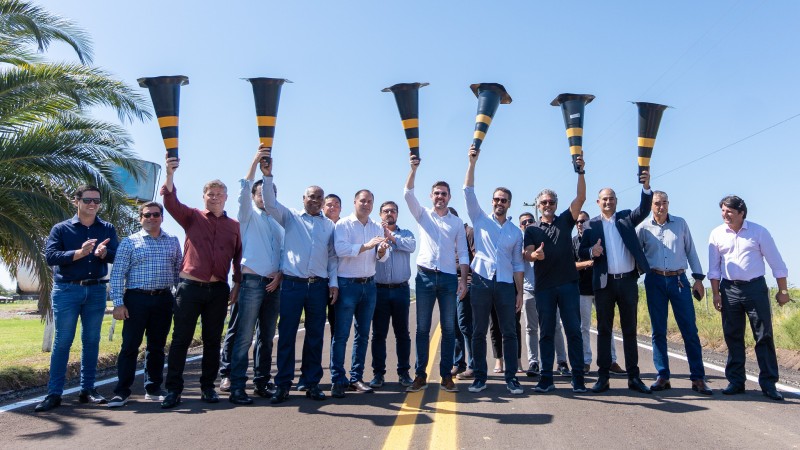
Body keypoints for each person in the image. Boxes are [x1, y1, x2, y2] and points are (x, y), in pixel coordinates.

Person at [160, 156, 242, 409]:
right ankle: (173, 390)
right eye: (210, 193)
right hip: (190, 289)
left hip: (218, 290)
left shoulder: (235, 226)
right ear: (204, 196)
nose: (215, 197)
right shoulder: (192, 217)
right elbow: (170, 201)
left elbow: (239, 257)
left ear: (226, 197)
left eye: (219, 194)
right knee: (181, 339)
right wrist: (170, 174)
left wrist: (237, 283)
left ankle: (208, 387)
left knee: (212, 340)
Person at [261, 148, 338, 404]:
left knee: (315, 335)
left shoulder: (329, 225)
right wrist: (268, 176)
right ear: (303, 198)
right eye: (311, 196)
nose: (315, 200)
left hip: (318, 286)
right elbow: (270, 203)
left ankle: (312, 382)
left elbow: (333, 257)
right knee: (287, 334)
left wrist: (333, 284)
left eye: (319, 197)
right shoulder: (291, 217)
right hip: (292, 286)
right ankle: (282, 384)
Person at [36, 185, 118, 412]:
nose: (92, 204)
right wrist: (79, 254)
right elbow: (51, 257)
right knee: (63, 342)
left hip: (97, 291)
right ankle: (54, 394)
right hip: (67, 291)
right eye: (88, 200)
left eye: (97, 201)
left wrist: (105, 254)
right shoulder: (61, 229)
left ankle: (88, 390)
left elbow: (117, 255)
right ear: (77, 201)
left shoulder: (107, 228)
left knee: (91, 341)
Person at [708, 195, 791, 401]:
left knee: (763, 336)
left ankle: (769, 384)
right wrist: (716, 294)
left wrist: (783, 291)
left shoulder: (758, 232)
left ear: (741, 213)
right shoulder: (716, 234)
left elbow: (777, 263)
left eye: (729, 211)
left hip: (755, 288)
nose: (725, 215)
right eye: (723, 211)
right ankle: (736, 382)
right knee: (733, 336)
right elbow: (714, 268)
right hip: (729, 290)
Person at [579, 172, 653, 394]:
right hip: (604, 285)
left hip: (628, 282)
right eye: (604, 198)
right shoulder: (591, 225)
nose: (608, 201)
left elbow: (645, 209)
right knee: (603, 330)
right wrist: (593, 251)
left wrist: (647, 187)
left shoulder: (626, 218)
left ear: (616, 201)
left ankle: (634, 377)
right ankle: (603, 378)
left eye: (611, 198)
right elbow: (581, 251)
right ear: (598, 202)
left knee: (630, 331)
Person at [404, 154, 469, 393]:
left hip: (450, 279)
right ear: (431, 197)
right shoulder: (423, 215)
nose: (440, 197)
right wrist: (413, 169)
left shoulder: (456, 222)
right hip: (424, 277)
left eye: (444, 193)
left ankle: (445, 376)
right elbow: (408, 195)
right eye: (436, 193)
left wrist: (463, 280)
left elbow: (463, 253)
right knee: (422, 328)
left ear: (449, 197)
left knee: (450, 329)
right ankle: (420, 375)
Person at [636, 191, 711, 395]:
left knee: (689, 330)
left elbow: (691, 251)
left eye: (665, 203)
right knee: (658, 330)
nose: (661, 207)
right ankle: (663, 376)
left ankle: (698, 378)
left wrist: (698, 279)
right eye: (657, 203)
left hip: (679, 280)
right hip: (655, 280)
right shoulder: (643, 228)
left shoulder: (680, 223)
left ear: (669, 204)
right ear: (651, 206)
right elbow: (635, 253)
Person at [107, 202, 182, 407]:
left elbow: (178, 273)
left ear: (162, 217)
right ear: (140, 218)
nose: (152, 218)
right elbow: (117, 275)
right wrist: (118, 304)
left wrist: (180, 300)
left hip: (163, 299)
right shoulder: (130, 242)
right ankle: (122, 391)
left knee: (156, 346)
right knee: (130, 346)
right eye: (147, 215)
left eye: (156, 214)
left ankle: (153, 388)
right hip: (136, 299)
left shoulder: (173, 241)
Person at [463, 145, 525, 394]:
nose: (500, 203)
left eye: (504, 200)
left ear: (509, 204)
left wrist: (519, 292)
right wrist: (472, 163)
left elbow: (518, 264)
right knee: (478, 331)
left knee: (509, 331)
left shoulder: (515, 231)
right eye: (497, 199)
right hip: (480, 281)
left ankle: (511, 377)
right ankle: (480, 376)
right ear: (492, 201)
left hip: (505, 285)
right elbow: (467, 190)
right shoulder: (479, 218)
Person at [523, 156, 587, 394]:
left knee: (573, 332)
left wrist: (580, 172)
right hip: (544, 288)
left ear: (555, 204)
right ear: (537, 206)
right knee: (546, 333)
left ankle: (578, 379)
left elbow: (580, 198)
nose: (547, 205)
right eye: (543, 202)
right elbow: (527, 254)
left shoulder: (565, 221)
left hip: (569, 285)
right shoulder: (531, 229)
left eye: (551, 202)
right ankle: (546, 379)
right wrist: (534, 257)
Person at [228, 149, 284, 405]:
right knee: (244, 336)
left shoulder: (280, 223)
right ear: (254, 197)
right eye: (260, 193)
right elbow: (243, 189)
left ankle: (262, 382)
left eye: (269, 193)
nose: (264, 197)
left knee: (267, 336)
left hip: (274, 285)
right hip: (252, 283)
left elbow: (285, 254)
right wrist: (255, 163)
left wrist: (280, 273)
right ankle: (238, 386)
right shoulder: (247, 216)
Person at [330, 190, 390, 398]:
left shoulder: (376, 226)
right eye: (362, 201)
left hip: (369, 285)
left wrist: (381, 250)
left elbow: (381, 257)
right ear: (354, 202)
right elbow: (341, 250)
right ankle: (338, 379)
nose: (366, 204)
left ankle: (356, 377)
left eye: (370, 201)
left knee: (363, 335)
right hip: (348, 284)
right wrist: (367, 246)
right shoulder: (343, 225)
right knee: (341, 335)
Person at [369, 201, 416, 389]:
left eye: (393, 211)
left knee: (402, 333)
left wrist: (391, 237)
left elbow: (411, 246)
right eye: (386, 211)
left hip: (401, 290)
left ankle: (404, 372)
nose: (389, 214)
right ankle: (378, 374)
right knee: (378, 334)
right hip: (379, 289)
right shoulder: (373, 234)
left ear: (397, 214)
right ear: (380, 214)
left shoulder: (406, 234)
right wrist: (381, 239)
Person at [519, 213, 570, 378]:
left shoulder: (542, 237)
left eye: (530, 221)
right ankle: (534, 362)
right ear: (521, 226)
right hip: (529, 290)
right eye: (523, 222)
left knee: (555, 326)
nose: (527, 223)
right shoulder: (520, 243)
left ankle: (562, 362)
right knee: (531, 328)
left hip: (547, 288)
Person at [573, 211, 623, 375]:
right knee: (583, 327)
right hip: (582, 290)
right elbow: (570, 265)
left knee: (606, 326)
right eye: (578, 221)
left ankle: (612, 360)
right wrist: (588, 261)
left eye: (584, 221)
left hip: (602, 287)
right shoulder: (573, 242)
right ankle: (586, 361)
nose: (581, 224)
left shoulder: (599, 238)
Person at [448, 207, 476, 381]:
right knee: (454, 327)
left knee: (465, 325)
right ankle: (459, 363)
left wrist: (466, 282)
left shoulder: (469, 232)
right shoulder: (447, 235)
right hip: (448, 283)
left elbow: (476, 257)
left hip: (466, 282)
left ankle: (474, 365)